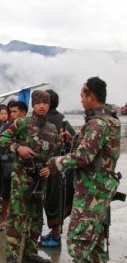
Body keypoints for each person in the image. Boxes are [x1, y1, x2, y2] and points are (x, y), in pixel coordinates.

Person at [44, 77, 120, 262]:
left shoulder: (97, 124)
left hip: (91, 192)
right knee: (96, 243)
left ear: (91, 96)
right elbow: (99, 152)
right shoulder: (110, 121)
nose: (81, 100)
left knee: (80, 243)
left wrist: (56, 162)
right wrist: (73, 141)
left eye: (82, 96)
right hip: (100, 190)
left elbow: (83, 157)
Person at [0, 90, 59, 263]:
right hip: (21, 178)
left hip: (40, 180)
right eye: (38, 102)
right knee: (16, 217)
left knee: (36, 218)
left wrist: (49, 167)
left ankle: (30, 253)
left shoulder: (52, 129)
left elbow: (53, 153)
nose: (42, 106)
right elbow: (3, 139)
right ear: (33, 104)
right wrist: (18, 148)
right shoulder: (22, 123)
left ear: (49, 105)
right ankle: (11, 255)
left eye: (45, 103)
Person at [40, 89, 76, 248]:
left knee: (53, 202)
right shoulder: (63, 120)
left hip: (53, 170)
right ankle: (54, 233)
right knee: (56, 201)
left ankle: (55, 236)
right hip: (61, 169)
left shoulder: (49, 121)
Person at [0, 101, 28, 231]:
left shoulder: (29, 127)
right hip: (7, 165)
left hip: (24, 167)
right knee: (6, 194)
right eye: (11, 112)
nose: (12, 114)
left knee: (23, 195)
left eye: (15, 112)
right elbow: (1, 145)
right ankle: (5, 220)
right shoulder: (6, 127)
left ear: (23, 113)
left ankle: (23, 221)